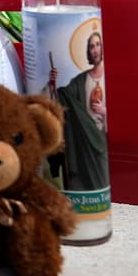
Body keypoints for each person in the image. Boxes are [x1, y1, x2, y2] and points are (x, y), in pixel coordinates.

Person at [51, 31, 109, 191]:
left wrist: (104, 111)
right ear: (88, 52)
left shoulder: (111, 75)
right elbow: (63, 96)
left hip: (104, 140)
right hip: (84, 141)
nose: (95, 50)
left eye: (98, 45)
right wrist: (52, 82)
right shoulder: (80, 80)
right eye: (91, 46)